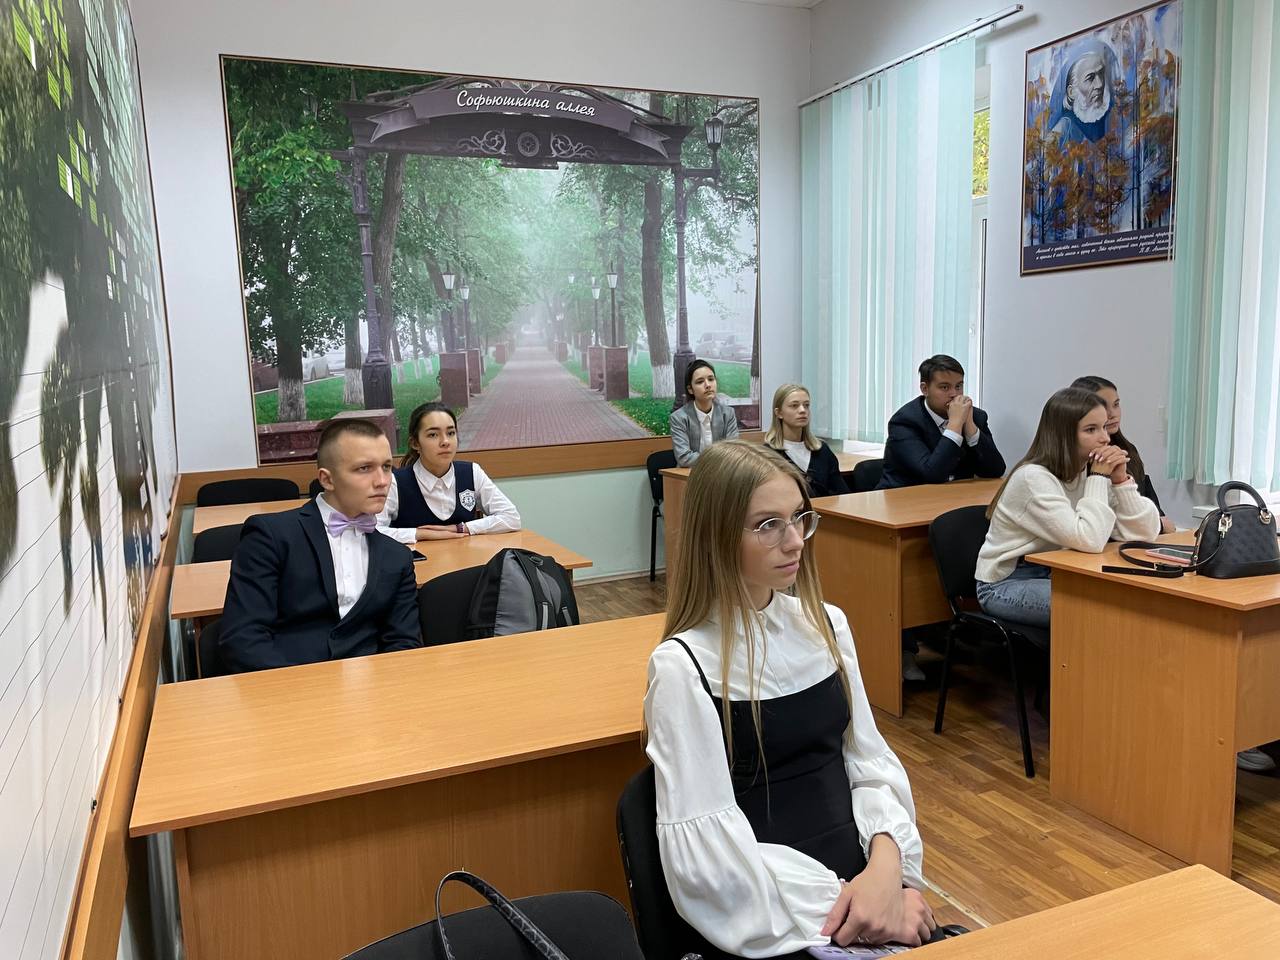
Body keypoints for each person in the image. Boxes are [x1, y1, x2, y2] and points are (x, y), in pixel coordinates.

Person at [644, 441, 934, 957]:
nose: (795, 540)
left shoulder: (826, 625)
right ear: (716, 535)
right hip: (781, 918)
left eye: (799, 517)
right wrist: (859, 910)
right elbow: (712, 861)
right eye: (767, 525)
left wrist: (889, 870)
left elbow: (868, 766)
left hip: (868, 886)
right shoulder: (682, 668)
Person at [219, 419, 421, 673]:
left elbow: (404, 643)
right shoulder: (271, 536)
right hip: (288, 684)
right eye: (364, 468)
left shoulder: (397, 556)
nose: (382, 481)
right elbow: (243, 639)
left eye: (387, 467)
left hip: (372, 688)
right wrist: (308, 690)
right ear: (327, 479)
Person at [975, 387, 1160, 630]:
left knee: (1137, 600)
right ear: (1064, 435)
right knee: (1106, 610)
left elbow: (1145, 533)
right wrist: (1098, 478)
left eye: (1104, 427)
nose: (1105, 438)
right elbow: (1090, 540)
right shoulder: (1033, 478)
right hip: (1006, 583)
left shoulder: (1087, 470)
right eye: (1091, 430)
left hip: (1059, 572)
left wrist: (1121, 482)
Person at [377, 402, 521, 543]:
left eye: (451, 433)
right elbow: (373, 531)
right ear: (415, 443)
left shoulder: (472, 472)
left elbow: (511, 518)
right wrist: (419, 533)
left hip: (467, 556)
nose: (445, 441)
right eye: (433, 435)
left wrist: (460, 528)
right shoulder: (395, 482)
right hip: (416, 558)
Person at [877, 354, 1005, 490]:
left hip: (952, 496)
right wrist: (955, 425)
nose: (954, 394)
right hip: (902, 497)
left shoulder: (976, 417)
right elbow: (932, 474)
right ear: (925, 389)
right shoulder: (904, 422)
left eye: (958, 386)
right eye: (945, 387)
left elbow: (996, 471)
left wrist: (970, 427)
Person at [1070, 375, 1175, 534]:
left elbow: (1147, 503)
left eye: (1116, 404)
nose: (1112, 414)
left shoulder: (1127, 449)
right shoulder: (1081, 460)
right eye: (1103, 406)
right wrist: (1158, 525)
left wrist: (1157, 523)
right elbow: (1098, 527)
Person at [764, 383, 849, 498]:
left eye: (806, 405)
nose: (802, 410)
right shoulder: (767, 455)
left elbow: (842, 493)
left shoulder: (822, 450)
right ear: (779, 413)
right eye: (794, 405)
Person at [670, 359, 741, 467]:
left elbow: (733, 451)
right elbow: (684, 458)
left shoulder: (728, 413)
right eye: (700, 382)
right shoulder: (679, 417)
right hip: (690, 474)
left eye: (711, 379)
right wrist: (719, 459)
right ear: (690, 389)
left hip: (722, 473)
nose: (708, 385)